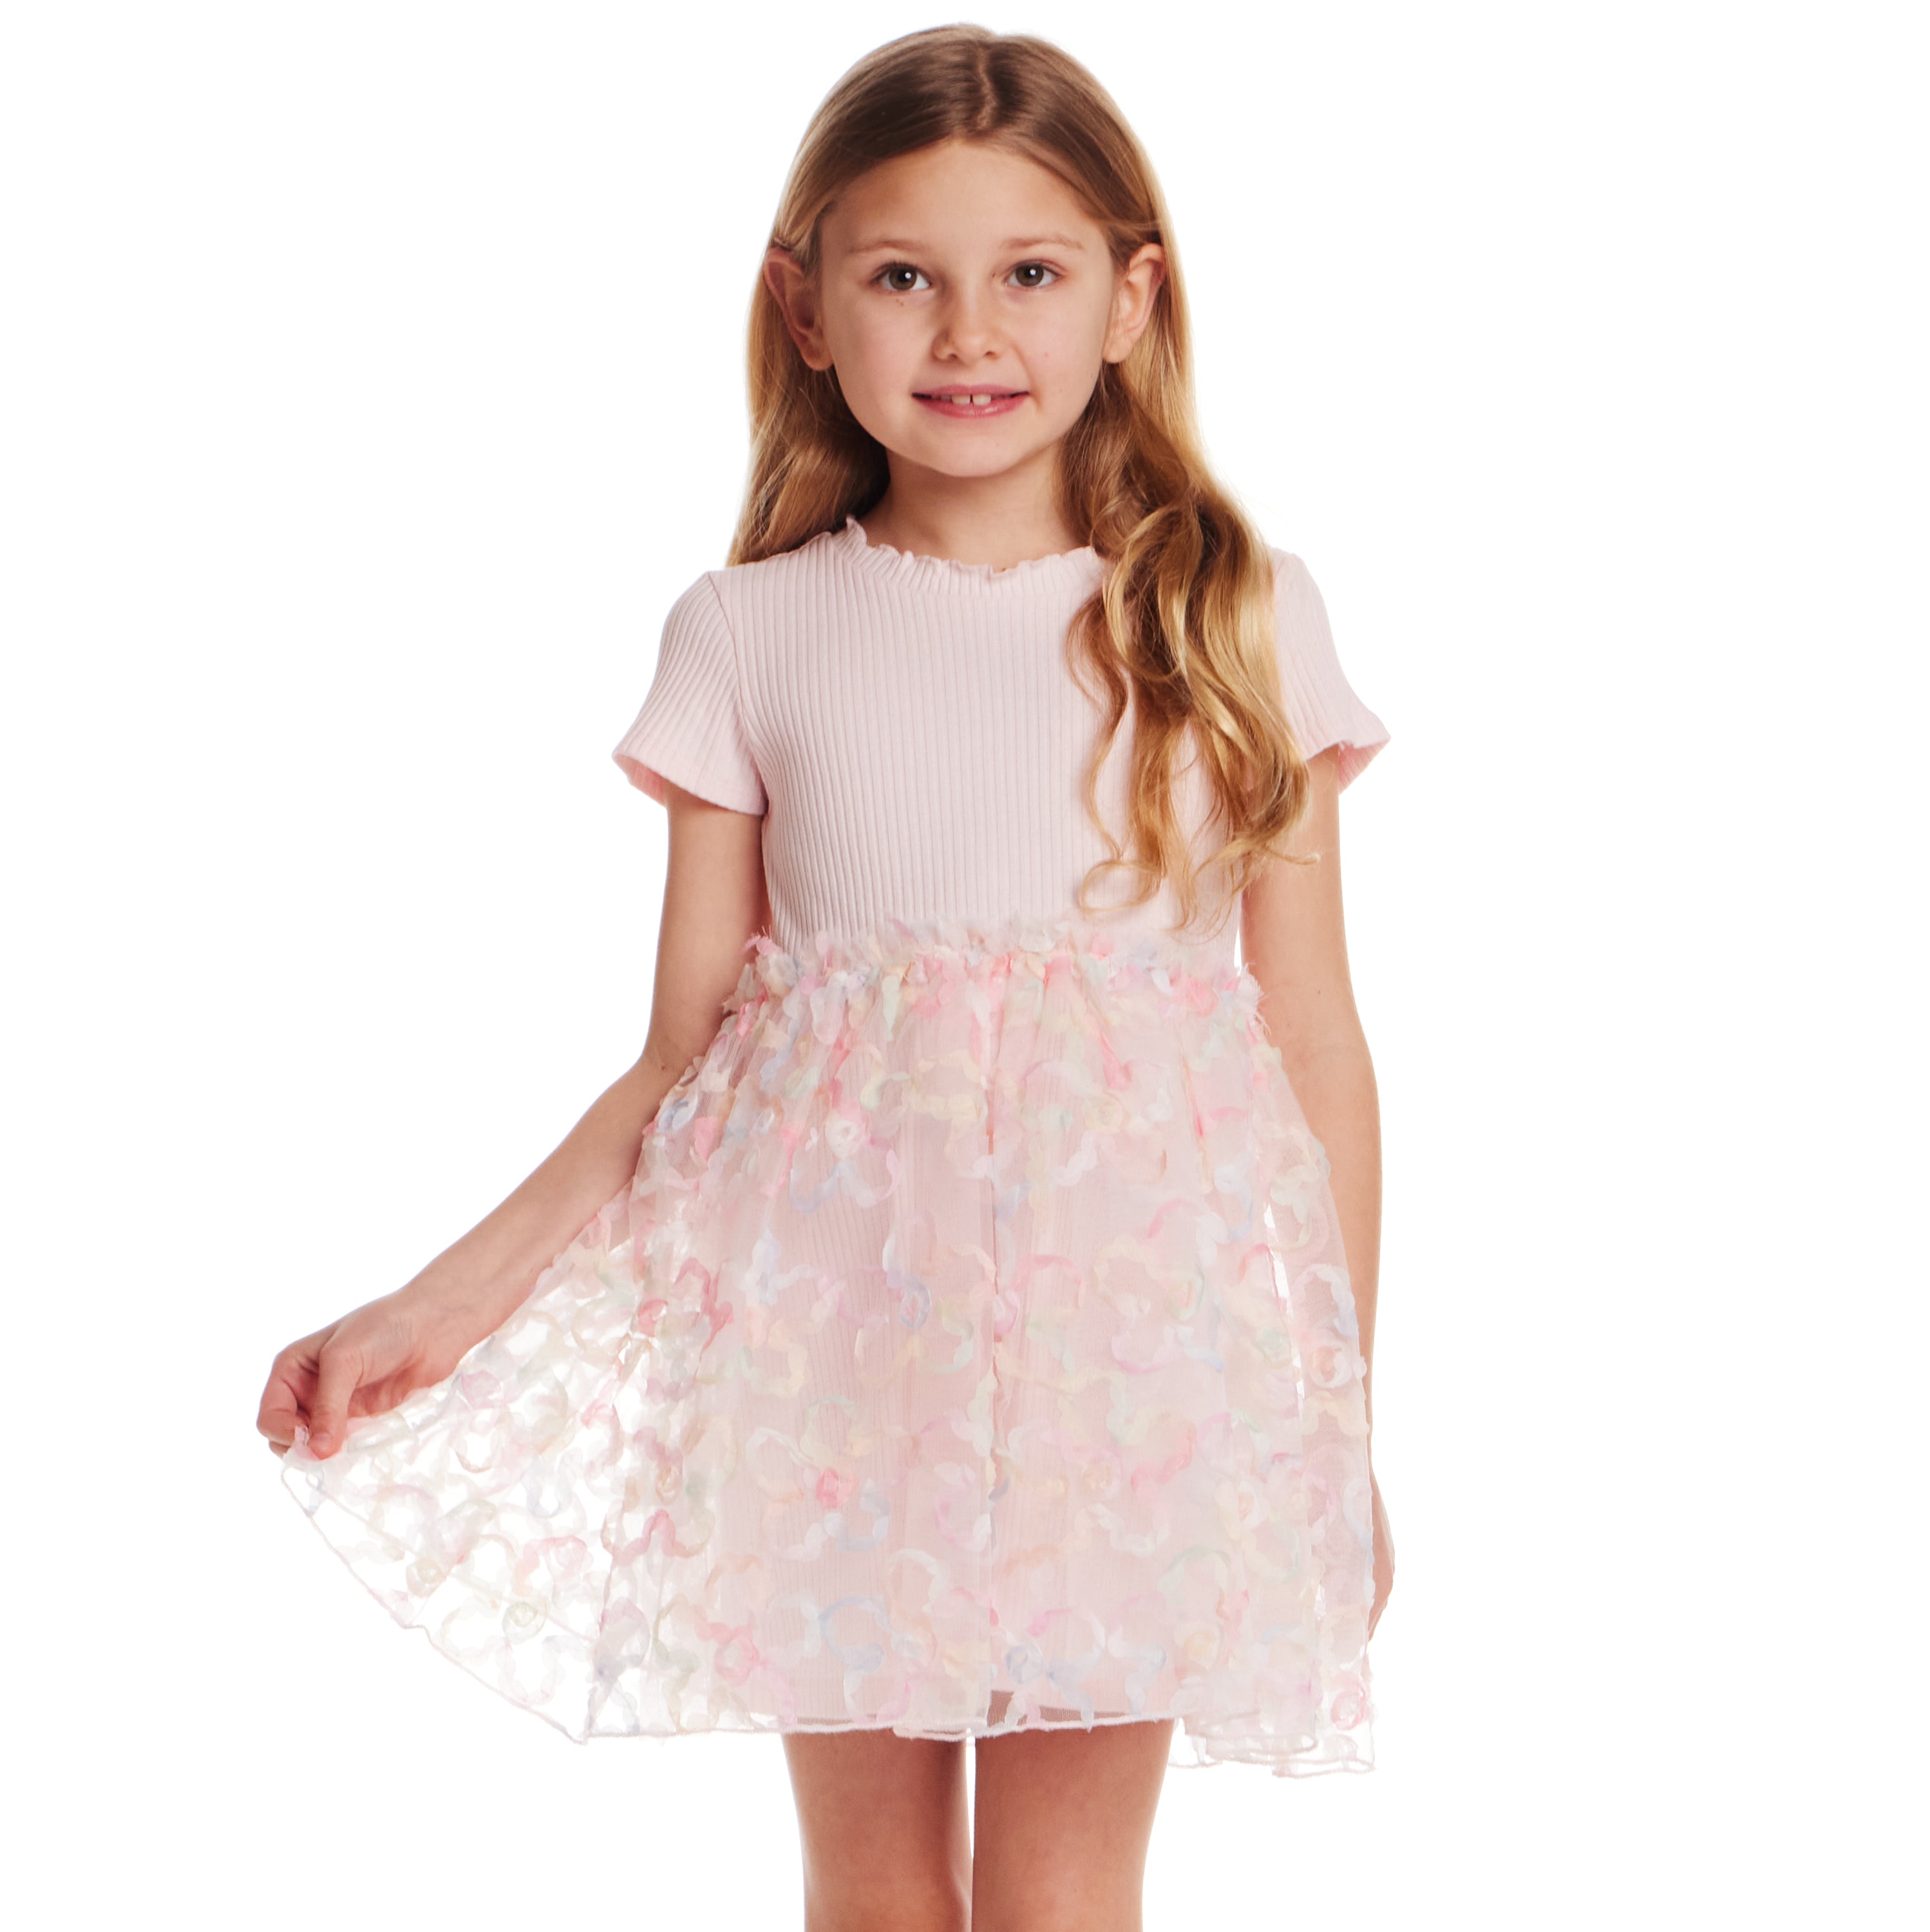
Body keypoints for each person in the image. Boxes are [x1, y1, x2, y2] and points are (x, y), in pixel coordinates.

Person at [258, 23, 1394, 1929]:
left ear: (1132, 299)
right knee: (872, 1897)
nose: (970, 333)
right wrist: (438, 1302)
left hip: (1131, 1378)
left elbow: (1321, 1054)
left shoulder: (1234, 616)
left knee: (1062, 1900)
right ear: (805, 308)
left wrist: (1333, 1435)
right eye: (904, 278)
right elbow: (679, 1065)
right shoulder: (747, 634)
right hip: (833, 1361)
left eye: (1030, 273)